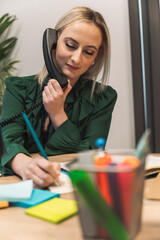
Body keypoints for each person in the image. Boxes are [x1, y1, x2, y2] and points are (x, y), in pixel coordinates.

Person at [0, 6, 117, 188]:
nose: (76, 59)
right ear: (53, 42)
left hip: (74, 191)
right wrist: (26, 167)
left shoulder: (103, 98)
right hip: (22, 188)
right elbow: (9, 142)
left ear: (96, 56)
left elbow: (89, 156)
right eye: (70, 45)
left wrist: (58, 115)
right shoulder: (18, 88)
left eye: (88, 52)